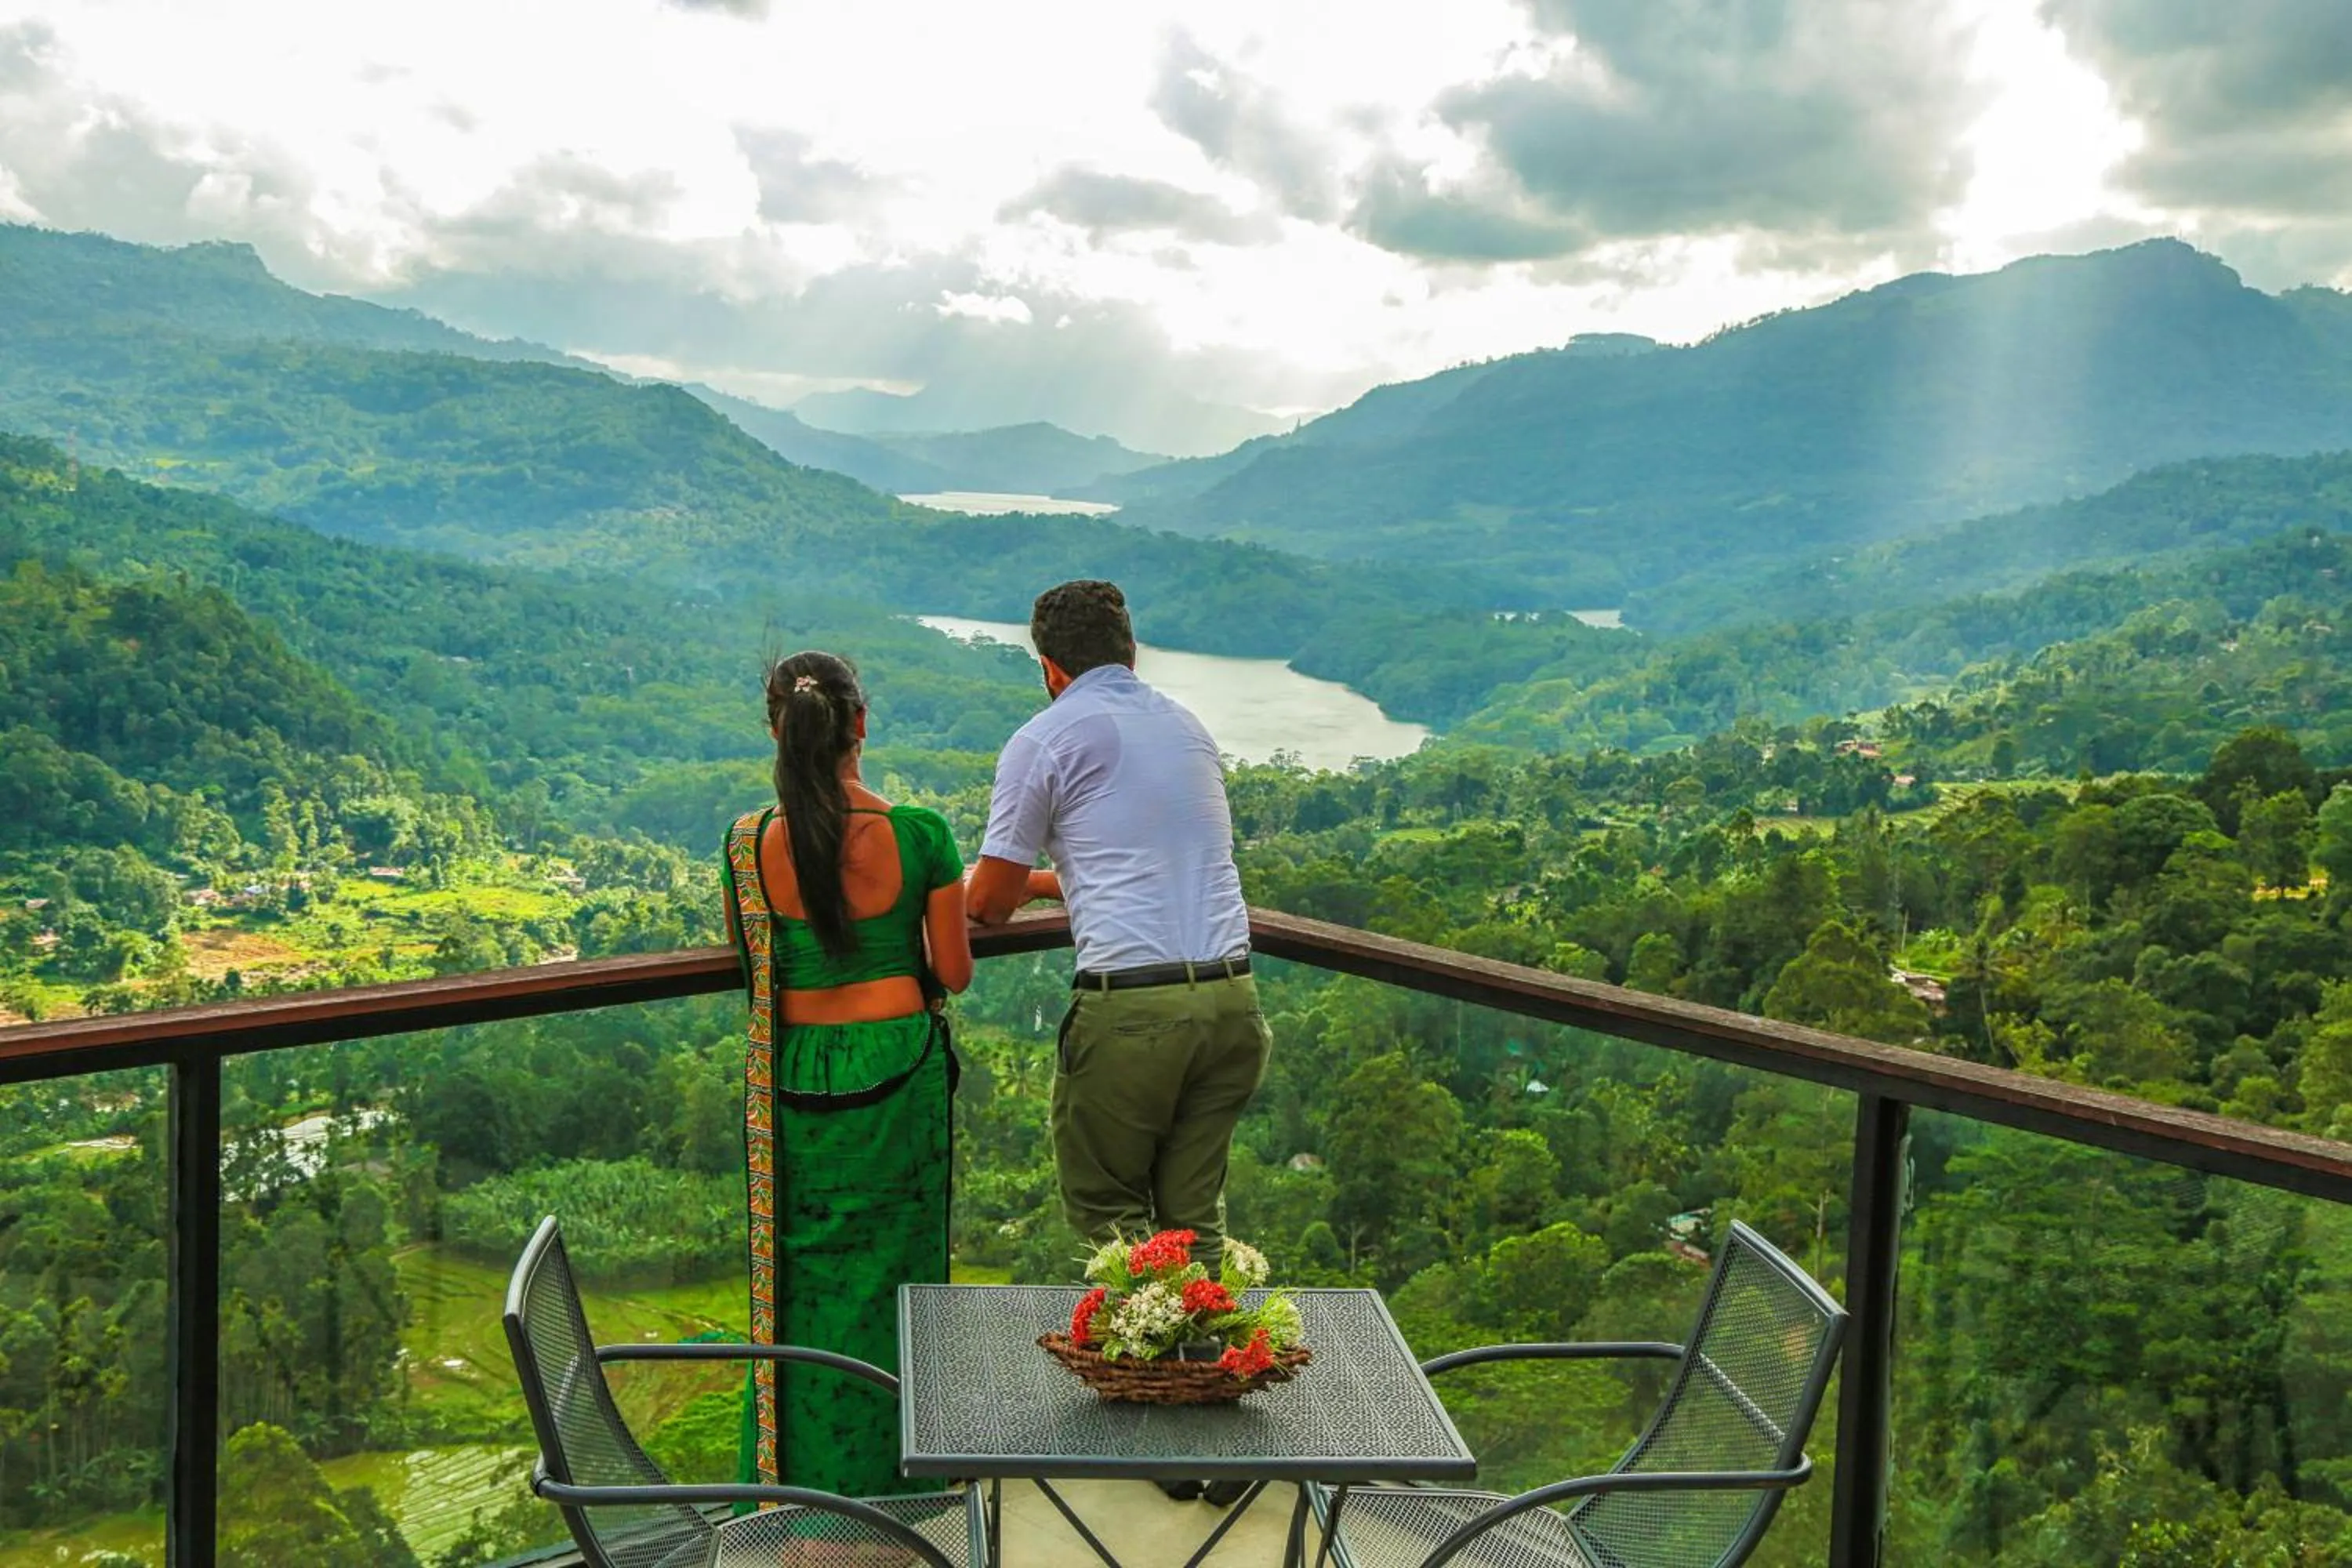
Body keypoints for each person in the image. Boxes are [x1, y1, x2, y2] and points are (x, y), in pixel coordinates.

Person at [967, 583, 1270, 1509]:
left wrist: (1041, 882)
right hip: (1232, 1000)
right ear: (1131, 654)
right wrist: (1082, 874)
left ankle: (1164, 1431)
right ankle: (1218, 1416)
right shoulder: (1186, 727)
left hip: (1134, 1011)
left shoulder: (1047, 736)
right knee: (1192, 1214)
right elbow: (1151, 855)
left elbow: (984, 900)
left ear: (1049, 666)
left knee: (1109, 1211)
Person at [720, 651, 972, 1497]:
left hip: (794, 1075)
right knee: (901, 1281)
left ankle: (801, 1501)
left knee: (800, 1284)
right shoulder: (920, 833)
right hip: (899, 1066)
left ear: (776, 731)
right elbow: (956, 970)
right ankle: (903, 1497)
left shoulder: (750, 843)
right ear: (860, 724)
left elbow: (755, 966)